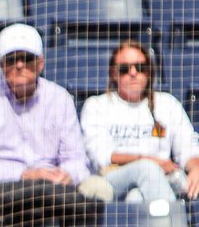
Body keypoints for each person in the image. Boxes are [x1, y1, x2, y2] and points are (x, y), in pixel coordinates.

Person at [0, 23, 111, 227]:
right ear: (1, 64)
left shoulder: (60, 98)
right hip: (3, 191)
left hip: (54, 193)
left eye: (27, 58)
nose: (20, 65)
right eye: (12, 59)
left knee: (96, 190)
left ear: (40, 63)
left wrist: (64, 174)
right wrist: (26, 175)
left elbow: (76, 160)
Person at [80, 40, 199, 203]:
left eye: (140, 67)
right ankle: (175, 220)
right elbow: (102, 157)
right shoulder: (97, 105)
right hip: (111, 180)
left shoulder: (168, 103)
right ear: (113, 73)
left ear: (149, 71)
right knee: (147, 169)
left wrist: (196, 167)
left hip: (158, 182)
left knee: (135, 198)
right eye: (124, 69)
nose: (133, 73)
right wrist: (150, 161)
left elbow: (188, 148)